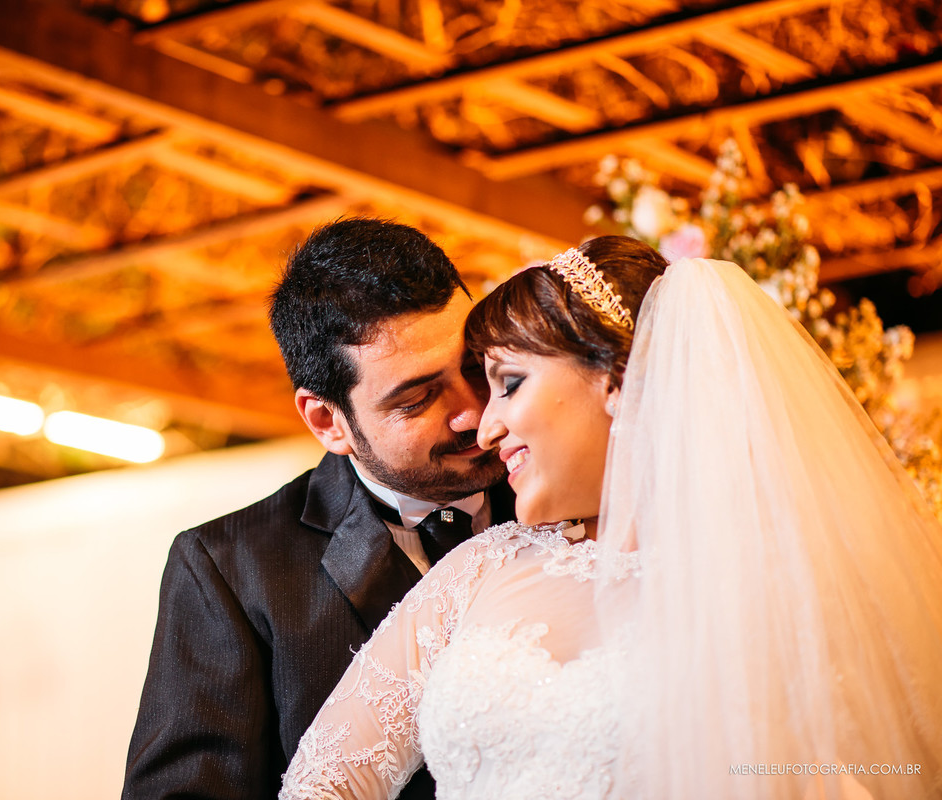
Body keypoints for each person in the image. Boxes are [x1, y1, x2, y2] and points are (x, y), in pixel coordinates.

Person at [280, 235, 942, 799]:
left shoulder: (777, 584)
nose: (484, 426)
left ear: (620, 379)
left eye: (508, 383)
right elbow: (322, 783)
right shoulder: (479, 571)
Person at [122, 218, 514, 800]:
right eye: (416, 399)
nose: (473, 413)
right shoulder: (229, 567)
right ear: (328, 421)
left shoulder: (576, 505)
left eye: (474, 366)